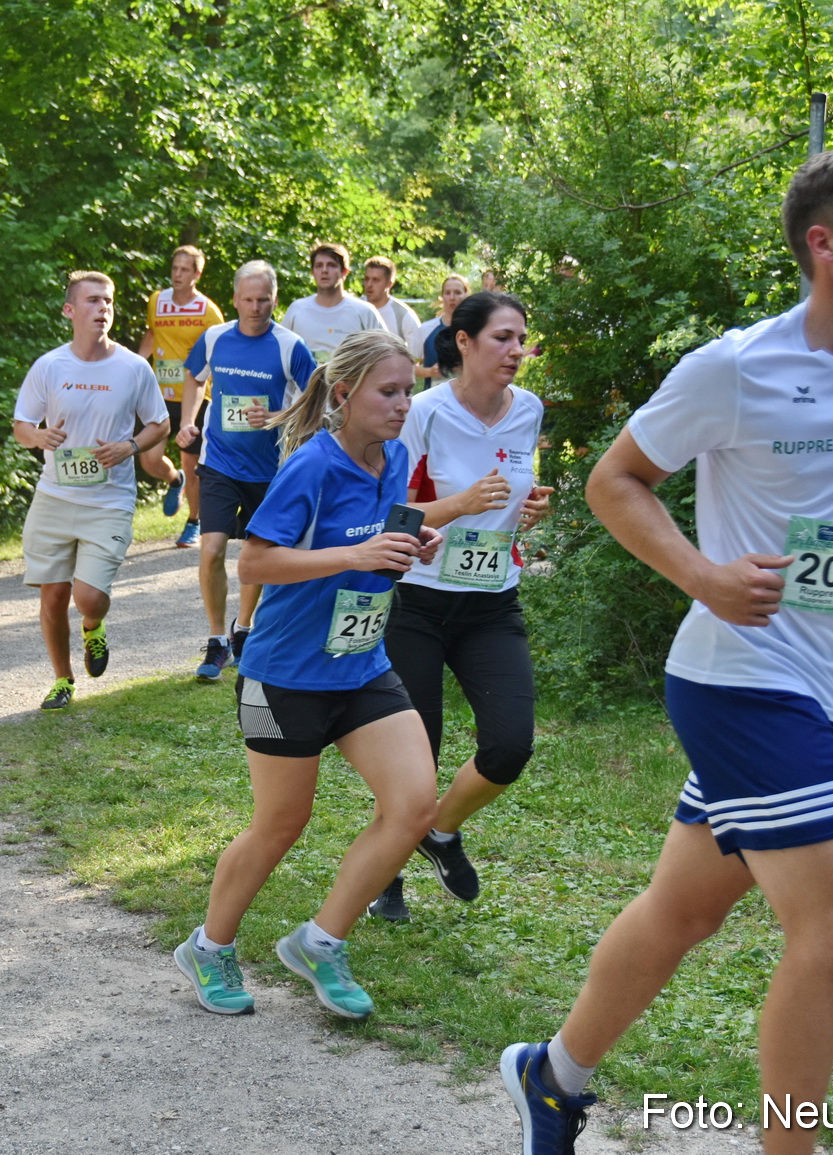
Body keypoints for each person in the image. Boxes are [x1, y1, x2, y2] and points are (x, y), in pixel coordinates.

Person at [500, 147, 833, 1155]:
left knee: (682, 911)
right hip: (741, 676)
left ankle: (552, 1075)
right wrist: (703, 576)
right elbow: (613, 481)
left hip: (828, 685)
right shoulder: (736, 366)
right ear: (824, 243)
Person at [172, 329, 443, 1021]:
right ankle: (209, 946)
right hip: (286, 673)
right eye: (389, 391)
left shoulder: (394, 457)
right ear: (345, 394)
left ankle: (321, 942)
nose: (403, 404)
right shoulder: (312, 465)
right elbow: (255, 562)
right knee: (280, 824)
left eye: (408, 391)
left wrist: (412, 541)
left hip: (360, 663)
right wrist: (355, 555)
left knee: (414, 805)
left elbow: (377, 535)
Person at [368, 290, 555, 922]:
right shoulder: (423, 411)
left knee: (510, 745)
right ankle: (386, 875)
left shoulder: (528, 409)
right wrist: (460, 505)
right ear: (464, 341)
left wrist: (530, 507)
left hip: (492, 604)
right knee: (414, 757)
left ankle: (439, 831)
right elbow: (391, 511)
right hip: (418, 603)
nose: (516, 350)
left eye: (521, 338)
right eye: (503, 337)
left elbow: (516, 489)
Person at [13, 271, 170, 711]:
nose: (103, 308)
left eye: (108, 301)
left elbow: (160, 423)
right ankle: (62, 680)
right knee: (52, 595)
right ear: (70, 310)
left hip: (109, 500)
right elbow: (22, 425)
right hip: (55, 496)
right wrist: (38, 437)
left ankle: (93, 626)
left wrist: (130, 446)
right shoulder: (49, 366)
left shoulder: (133, 367)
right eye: (93, 300)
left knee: (88, 598)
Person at [178, 260, 318, 680]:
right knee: (212, 550)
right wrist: (188, 420)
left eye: (264, 300)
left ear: (275, 300)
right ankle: (216, 640)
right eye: (248, 300)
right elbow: (193, 377)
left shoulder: (290, 345)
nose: (256, 308)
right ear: (235, 300)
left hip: (270, 470)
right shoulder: (215, 337)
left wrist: (277, 417)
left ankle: (243, 629)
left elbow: (316, 401)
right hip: (219, 463)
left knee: (255, 554)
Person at [139, 245, 225, 548]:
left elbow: (219, 351)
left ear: (197, 274)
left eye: (184, 269)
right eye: (175, 268)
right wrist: (135, 364)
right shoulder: (156, 301)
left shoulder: (208, 311)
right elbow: (152, 335)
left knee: (192, 464)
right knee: (149, 459)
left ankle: (193, 522)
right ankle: (175, 480)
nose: (177, 274)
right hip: (159, 394)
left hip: (195, 396)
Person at [280, 242, 385, 364]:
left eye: (331, 265)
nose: (324, 270)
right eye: (319, 266)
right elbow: (280, 351)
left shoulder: (364, 312)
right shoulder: (297, 309)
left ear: (344, 272)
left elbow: (386, 354)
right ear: (313, 272)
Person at [361, 255, 424, 350]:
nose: (369, 284)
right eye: (367, 279)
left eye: (376, 280)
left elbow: (416, 353)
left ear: (389, 284)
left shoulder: (403, 315)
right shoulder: (354, 309)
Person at [413, 275, 468, 382]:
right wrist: (429, 372)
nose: (452, 298)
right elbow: (409, 367)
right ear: (442, 296)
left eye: (457, 293)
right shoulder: (426, 329)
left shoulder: (476, 329)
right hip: (433, 390)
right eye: (447, 293)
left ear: (466, 295)